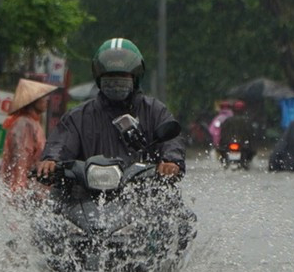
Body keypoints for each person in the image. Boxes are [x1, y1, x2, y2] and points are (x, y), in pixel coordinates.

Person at [36, 38, 184, 179]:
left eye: (122, 77)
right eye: (110, 77)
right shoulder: (78, 117)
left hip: (144, 194)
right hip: (87, 197)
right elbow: (61, 142)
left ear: (135, 77)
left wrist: (171, 161)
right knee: (57, 201)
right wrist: (51, 160)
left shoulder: (154, 111)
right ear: (99, 79)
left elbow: (172, 141)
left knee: (170, 203)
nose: (116, 84)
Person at [0, 78, 58, 193]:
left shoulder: (33, 122)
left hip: (32, 187)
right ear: (33, 100)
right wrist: (19, 187)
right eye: (43, 97)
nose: (46, 100)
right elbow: (21, 157)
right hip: (24, 188)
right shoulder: (24, 123)